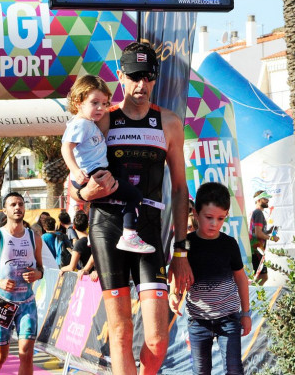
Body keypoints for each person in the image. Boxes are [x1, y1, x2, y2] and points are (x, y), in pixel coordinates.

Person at [71, 42, 192, 375]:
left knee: (157, 340)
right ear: (121, 76)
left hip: (149, 232)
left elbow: (180, 190)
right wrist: (83, 191)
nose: (141, 86)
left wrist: (181, 252)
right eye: (134, 77)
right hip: (108, 227)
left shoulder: (168, 124)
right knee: (121, 331)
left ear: (155, 79)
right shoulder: (102, 120)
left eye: (148, 77)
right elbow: (74, 173)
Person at [61, 74, 155, 254]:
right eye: (94, 103)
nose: (100, 108)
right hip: (94, 173)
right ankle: (129, 234)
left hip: (98, 170)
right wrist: (75, 170)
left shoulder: (89, 123)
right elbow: (66, 148)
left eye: (104, 103)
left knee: (123, 175)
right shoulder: (80, 124)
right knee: (134, 195)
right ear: (78, 102)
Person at [169, 182, 252, 375]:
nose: (214, 223)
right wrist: (173, 294)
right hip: (198, 321)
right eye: (209, 217)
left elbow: (240, 278)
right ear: (196, 214)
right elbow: (177, 272)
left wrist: (246, 313)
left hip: (229, 319)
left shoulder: (229, 244)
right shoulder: (186, 245)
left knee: (234, 369)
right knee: (200, 371)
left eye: (220, 218)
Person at [0, 192, 44, 375]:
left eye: (20, 204)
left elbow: (41, 269)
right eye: (13, 204)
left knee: (26, 353)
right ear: (5, 210)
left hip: (27, 302)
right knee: (0, 356)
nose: (17, 207)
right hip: (2, 303)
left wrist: (37, 274)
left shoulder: (34, 237)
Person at [249, 190, 279, 285]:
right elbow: (258, 234)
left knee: (261, 277)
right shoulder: (258, 212)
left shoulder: (256, 212)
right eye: (265, 198)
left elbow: (257, 232)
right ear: (258, 200)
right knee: (262, 277)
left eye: (267, 198)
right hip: (256, 250)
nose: (267, 200)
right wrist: (271, 238)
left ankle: (252, 297)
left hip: (255, 250)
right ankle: (252, 297)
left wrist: (268, 231)